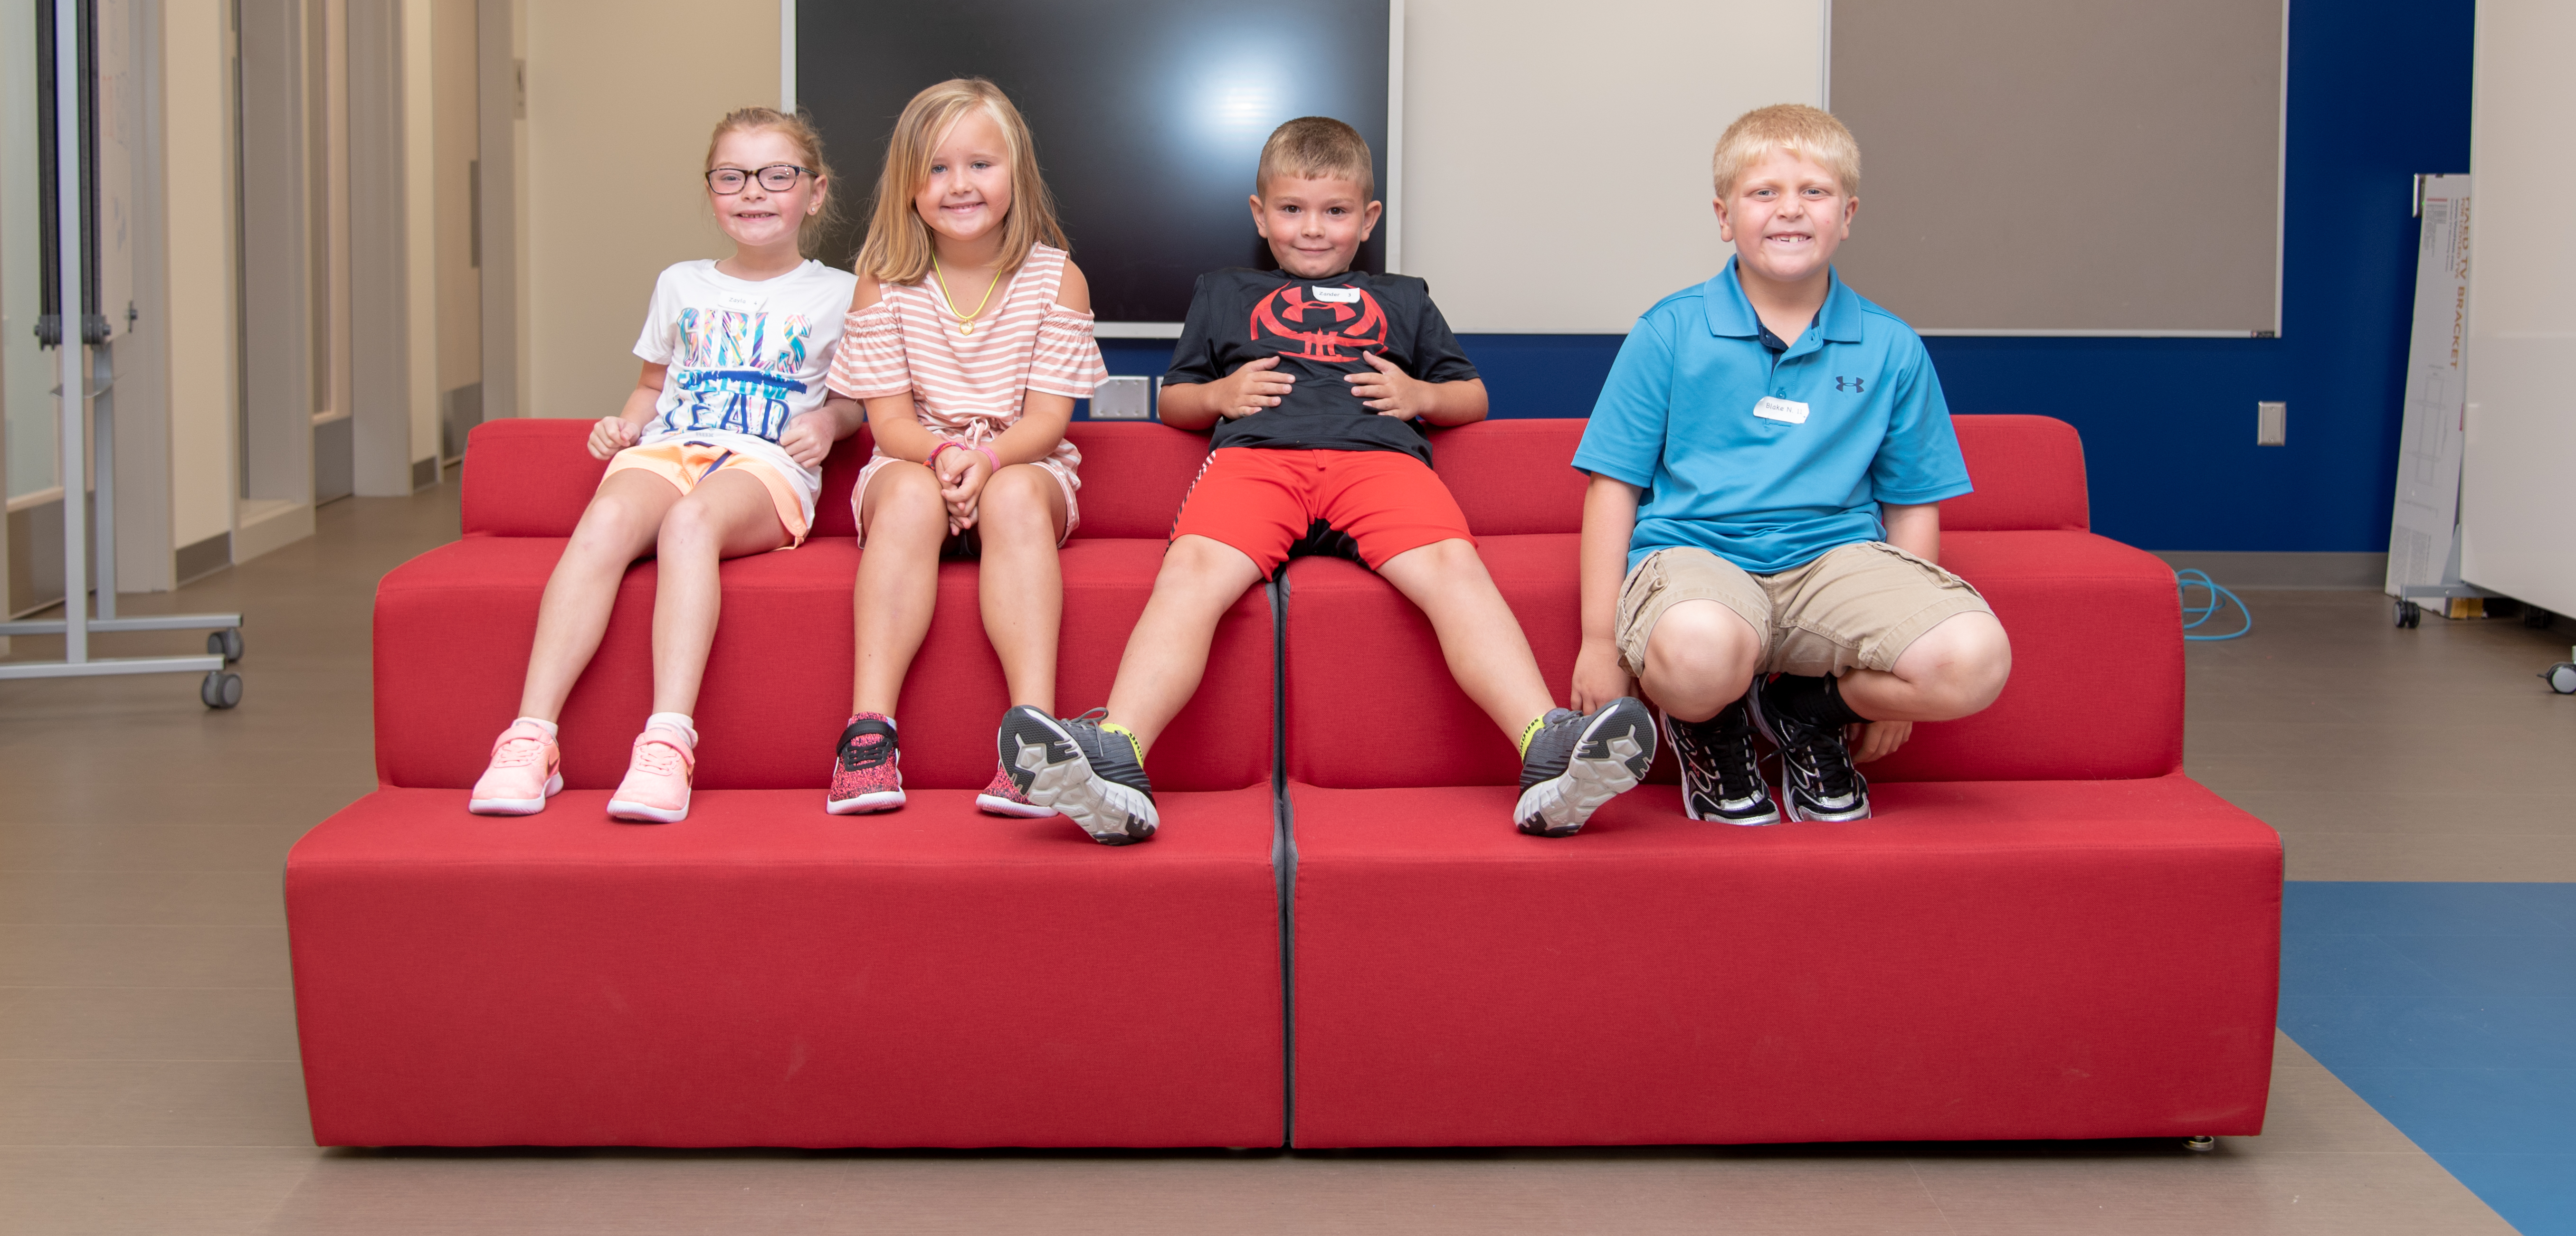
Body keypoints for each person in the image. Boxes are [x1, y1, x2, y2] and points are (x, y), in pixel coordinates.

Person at [997, 115, 1658, 846]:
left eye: (1336, 212)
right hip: (1257, 461)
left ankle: (1549, 747)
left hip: (1379, 461)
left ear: (1367, 218)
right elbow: (1174, 400)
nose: (1313, 229)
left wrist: (1422, 396)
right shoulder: (1223, 292)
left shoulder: (1404, 298)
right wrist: (1219, 395)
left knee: (1453, 567)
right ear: (1260, 214)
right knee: (1189, 572)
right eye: (1292, 210)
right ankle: (1118, 758)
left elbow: (1473, 396)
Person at [1571, 103, 2011, 828]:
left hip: (1834, 564)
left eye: (1814, 191)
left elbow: (1911, 501)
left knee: (1977, 659)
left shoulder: (1891, 346)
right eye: (1764, 192)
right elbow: (1612, 485)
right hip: (1697, 559)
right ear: (1723, 216)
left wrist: (1886, 670)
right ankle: (1711, 722)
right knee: (1700, 655)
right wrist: (1598, 640)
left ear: (1848, 214)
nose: (1790, 210)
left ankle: (1806, 707)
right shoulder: (1670, 330)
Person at [468, 106, 862, 825]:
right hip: (670, 448)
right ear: (711, 191)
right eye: (731, 176)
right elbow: (654, 385)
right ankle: (531, 736)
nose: (753, 192)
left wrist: (827, 424)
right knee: (607, 517)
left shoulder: (841, 291)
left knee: (690, 524)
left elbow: (856, 404)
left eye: (777, 175)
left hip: (764, 467)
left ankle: (668, 740)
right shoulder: (680, 283)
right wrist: (626, 424)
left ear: (816, 191)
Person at [821, 77, 1107, 818]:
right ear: (910, 185)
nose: (960, 185)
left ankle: (1035, 742)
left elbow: (1049, 420)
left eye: (980, 164)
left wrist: (985, 461)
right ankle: (868, 733)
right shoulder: (882, 281)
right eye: (938, 168)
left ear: (1016, 173)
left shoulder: (1057, 278)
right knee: (912, 492)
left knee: (1013, 492)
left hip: (1021, 463)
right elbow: (888, 425)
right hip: (915, 461)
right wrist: (945, 457)